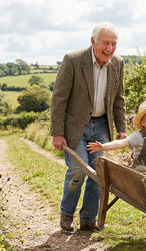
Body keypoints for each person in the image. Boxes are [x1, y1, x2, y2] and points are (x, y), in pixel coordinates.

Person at [50, 22, 127, 232]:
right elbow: (59, 98)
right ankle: (67, 213)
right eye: (106, 43)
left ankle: (88, 219)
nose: (110, 49)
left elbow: (119, 100)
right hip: (75, 126)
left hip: (102, 125)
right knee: (78, 169)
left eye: (114, 44)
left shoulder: (118, 64)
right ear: (93, 41)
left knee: (100, 173)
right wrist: (57, 132)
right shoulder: (73, 60)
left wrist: (122, 129)